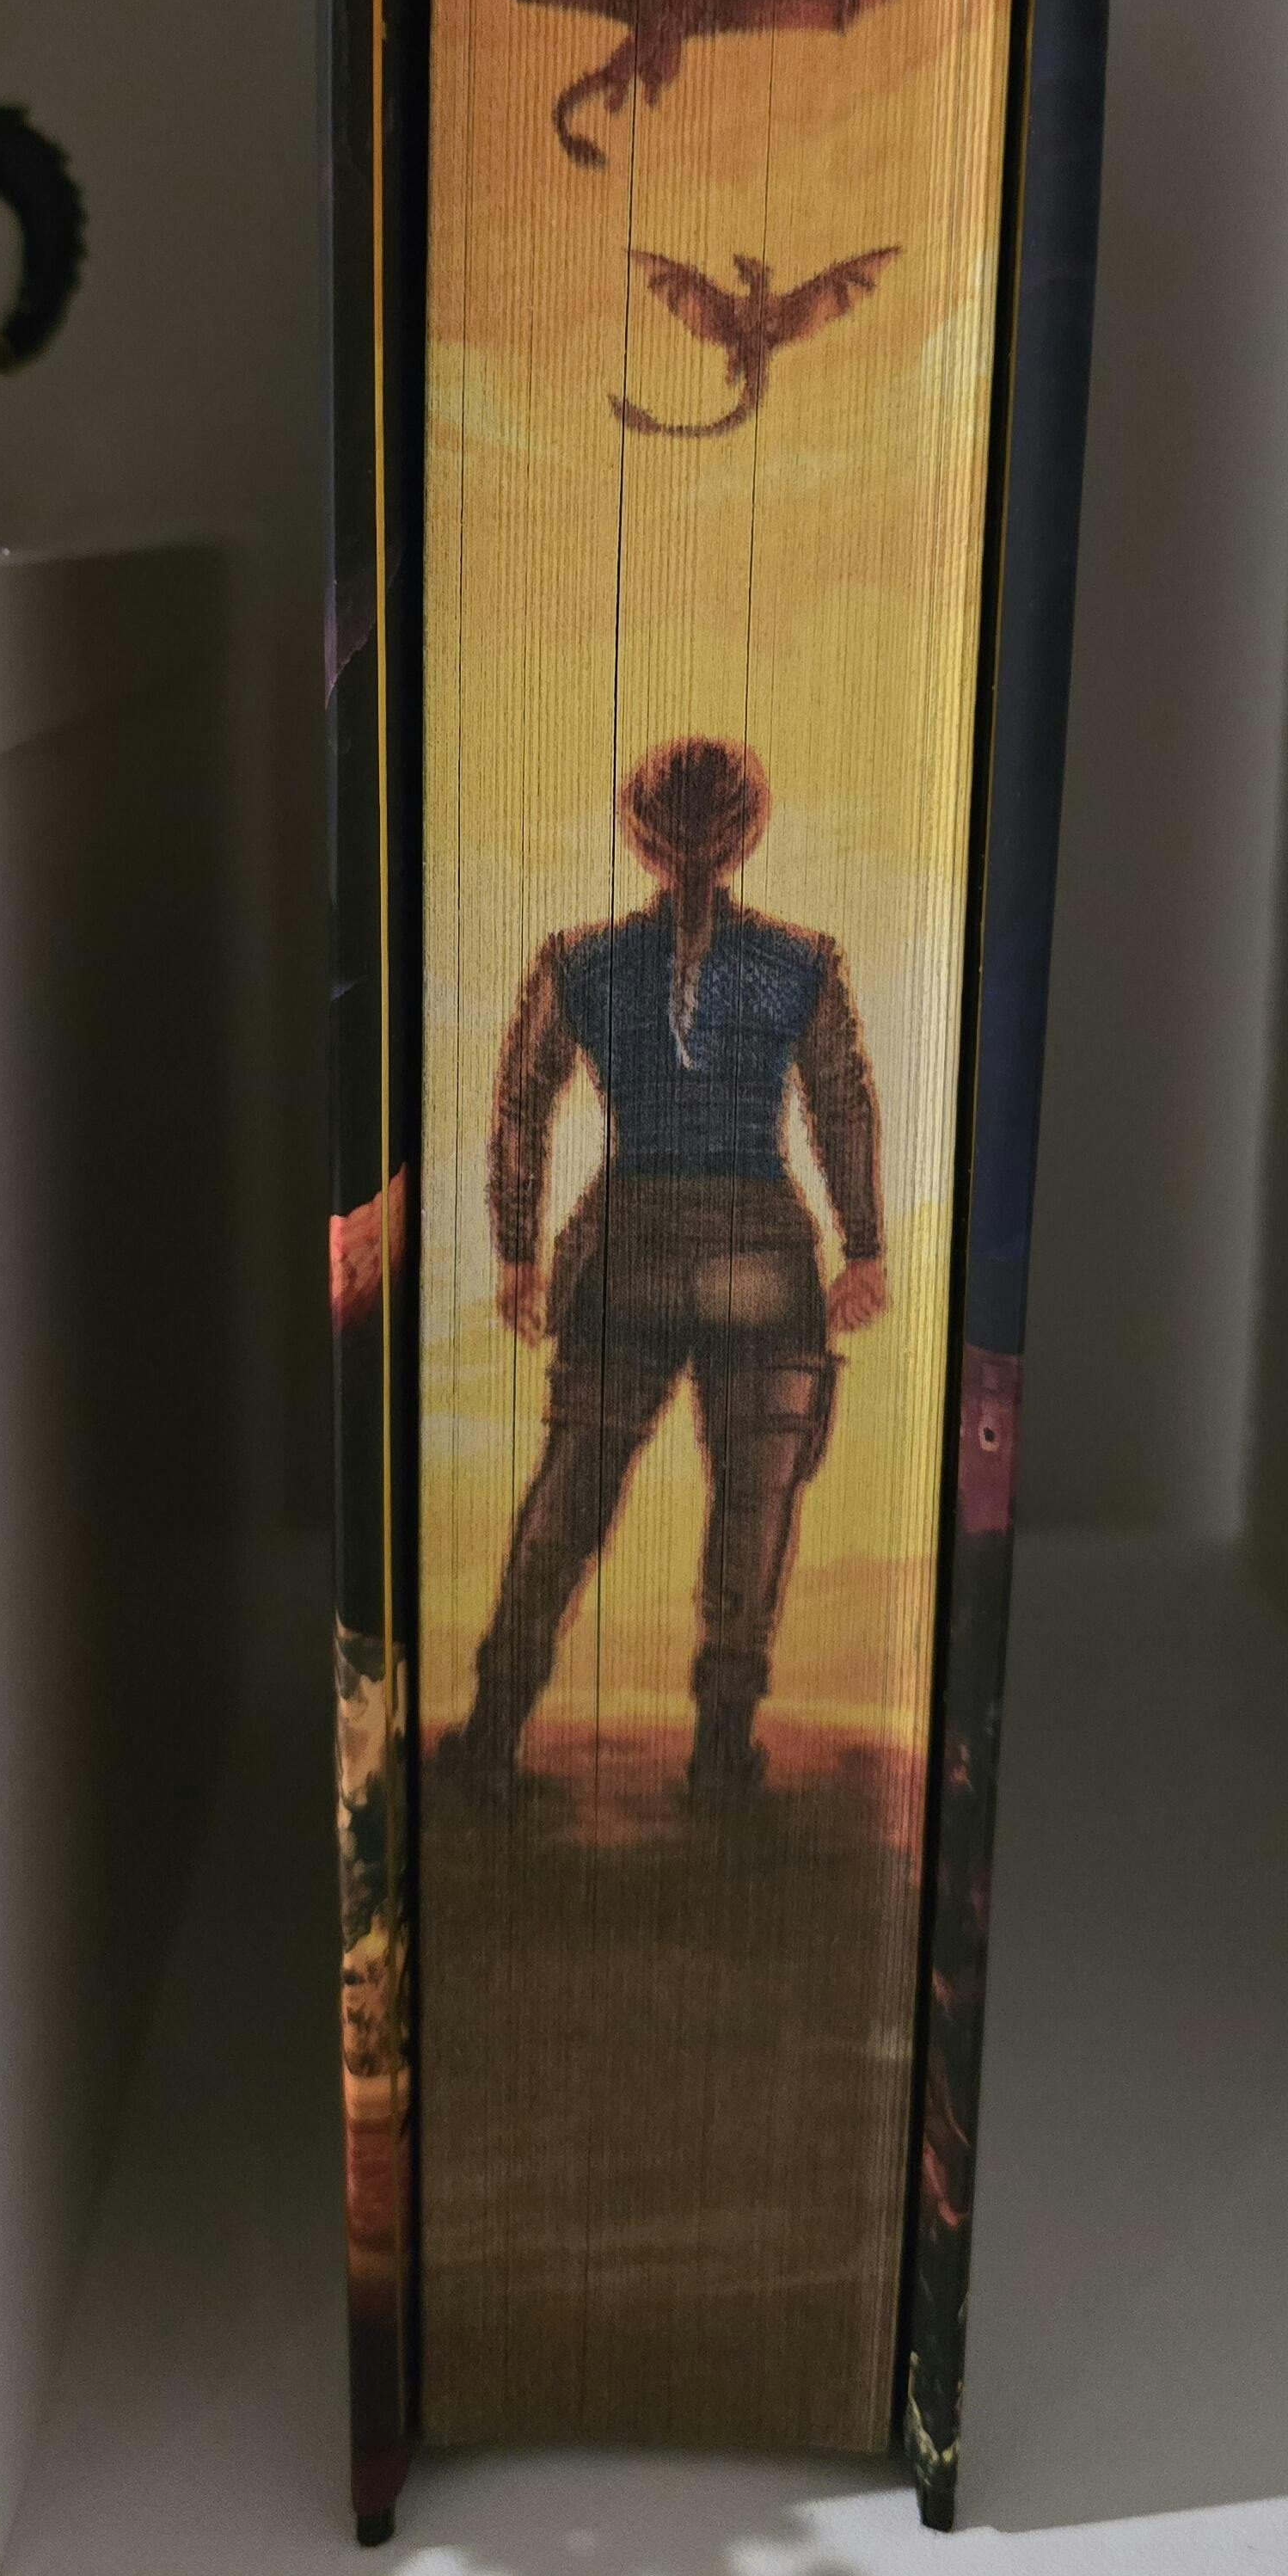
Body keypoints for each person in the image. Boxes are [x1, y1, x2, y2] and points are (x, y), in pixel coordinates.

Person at [438, 735, 887, 1801]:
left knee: (570, 1495)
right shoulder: (804, 961)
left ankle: (491, 1735)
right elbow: (843, 1106)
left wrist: (516, 1250)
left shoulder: (576, 960)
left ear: (638, 838)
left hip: (623, 1247)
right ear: (749, 833)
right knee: (755, 1510)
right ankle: (722, 1753)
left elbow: (519, 1110)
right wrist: (864, 1245)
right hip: (763, 1255)